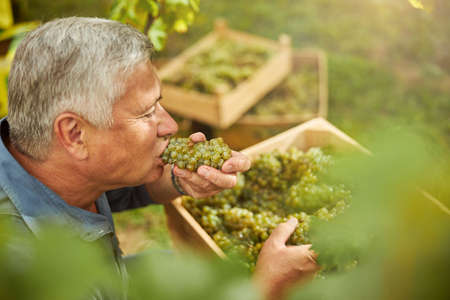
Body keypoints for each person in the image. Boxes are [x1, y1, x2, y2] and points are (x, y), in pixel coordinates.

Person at [0, 17, 318, 299]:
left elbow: (116, 188)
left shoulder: (41, 155)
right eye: (147, 112)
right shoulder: (35, 276)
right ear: (74, 134)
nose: (171, 126)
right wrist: (265, 291)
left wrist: (180, 178)